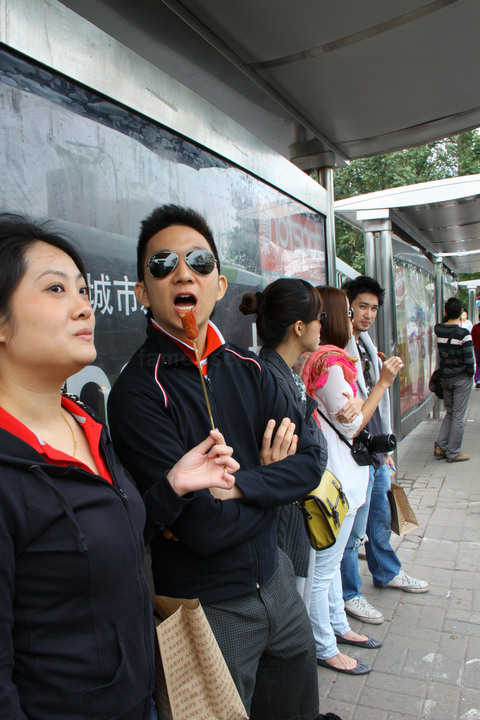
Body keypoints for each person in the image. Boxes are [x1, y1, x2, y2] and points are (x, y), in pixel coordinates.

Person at [0, 213, 240, 720]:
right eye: (56, 289)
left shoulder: (85, 424)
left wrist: (172, 487)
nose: (83, 306)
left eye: (84, 290)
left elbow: (112, 539)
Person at [107, 204, 337, 720]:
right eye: (163, 264)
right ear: (142, 292)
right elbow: (203, 529)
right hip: (206, 609)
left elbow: (311, 464)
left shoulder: (250, 368)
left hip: (278, 582)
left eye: (199, 262)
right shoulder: (138, 393)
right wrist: (272, 483)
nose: (183, 273)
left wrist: (239, 486)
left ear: (219, 284)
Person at [300, 285, 403, 675]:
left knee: (330, 567)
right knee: (324, 570)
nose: (353, 318)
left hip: (342, 476)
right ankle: (324, 645)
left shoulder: (329, 359)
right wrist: (383, 384)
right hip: (337, 478)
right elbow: (353, 424)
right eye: (346, 311)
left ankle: (337, 627)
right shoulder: (329, 363)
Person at [340, 276, 429, 627]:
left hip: (376, 448)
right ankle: (349, 593)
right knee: (352, 532)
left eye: (374, 308)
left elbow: (380, 403)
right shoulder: (337, 348)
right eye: (362, 306)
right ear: (346, 306)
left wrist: (387, 445)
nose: (368, 314)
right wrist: (382, 380)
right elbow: (351, 410)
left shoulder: (366, 343)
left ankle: (387, 572)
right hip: (355, 452)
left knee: (379, 518)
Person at [239, 278, 328, 608]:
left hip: (288, 522)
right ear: (299, 327)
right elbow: (311, 459)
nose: (323, 325)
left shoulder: (282, 374)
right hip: (281, 529)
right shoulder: (271, 381)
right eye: (320, 317)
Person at [434, 297, 474, 463]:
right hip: (460, 379)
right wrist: (470, 375)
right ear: (461, 312)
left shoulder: (438, 330)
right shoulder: (464, 334)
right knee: (458, 415)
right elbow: (469, 360)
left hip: (445, 378)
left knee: (450, 413)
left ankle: (441, 447)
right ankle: (453, 452)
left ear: (445, 311)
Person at [471, 312, 480, 389]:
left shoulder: (476, 327)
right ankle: (478, 379)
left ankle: (478, 379)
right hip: (478, 348)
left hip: (477, 348)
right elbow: (472, 338)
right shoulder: (475, 327)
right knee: (479, 364)